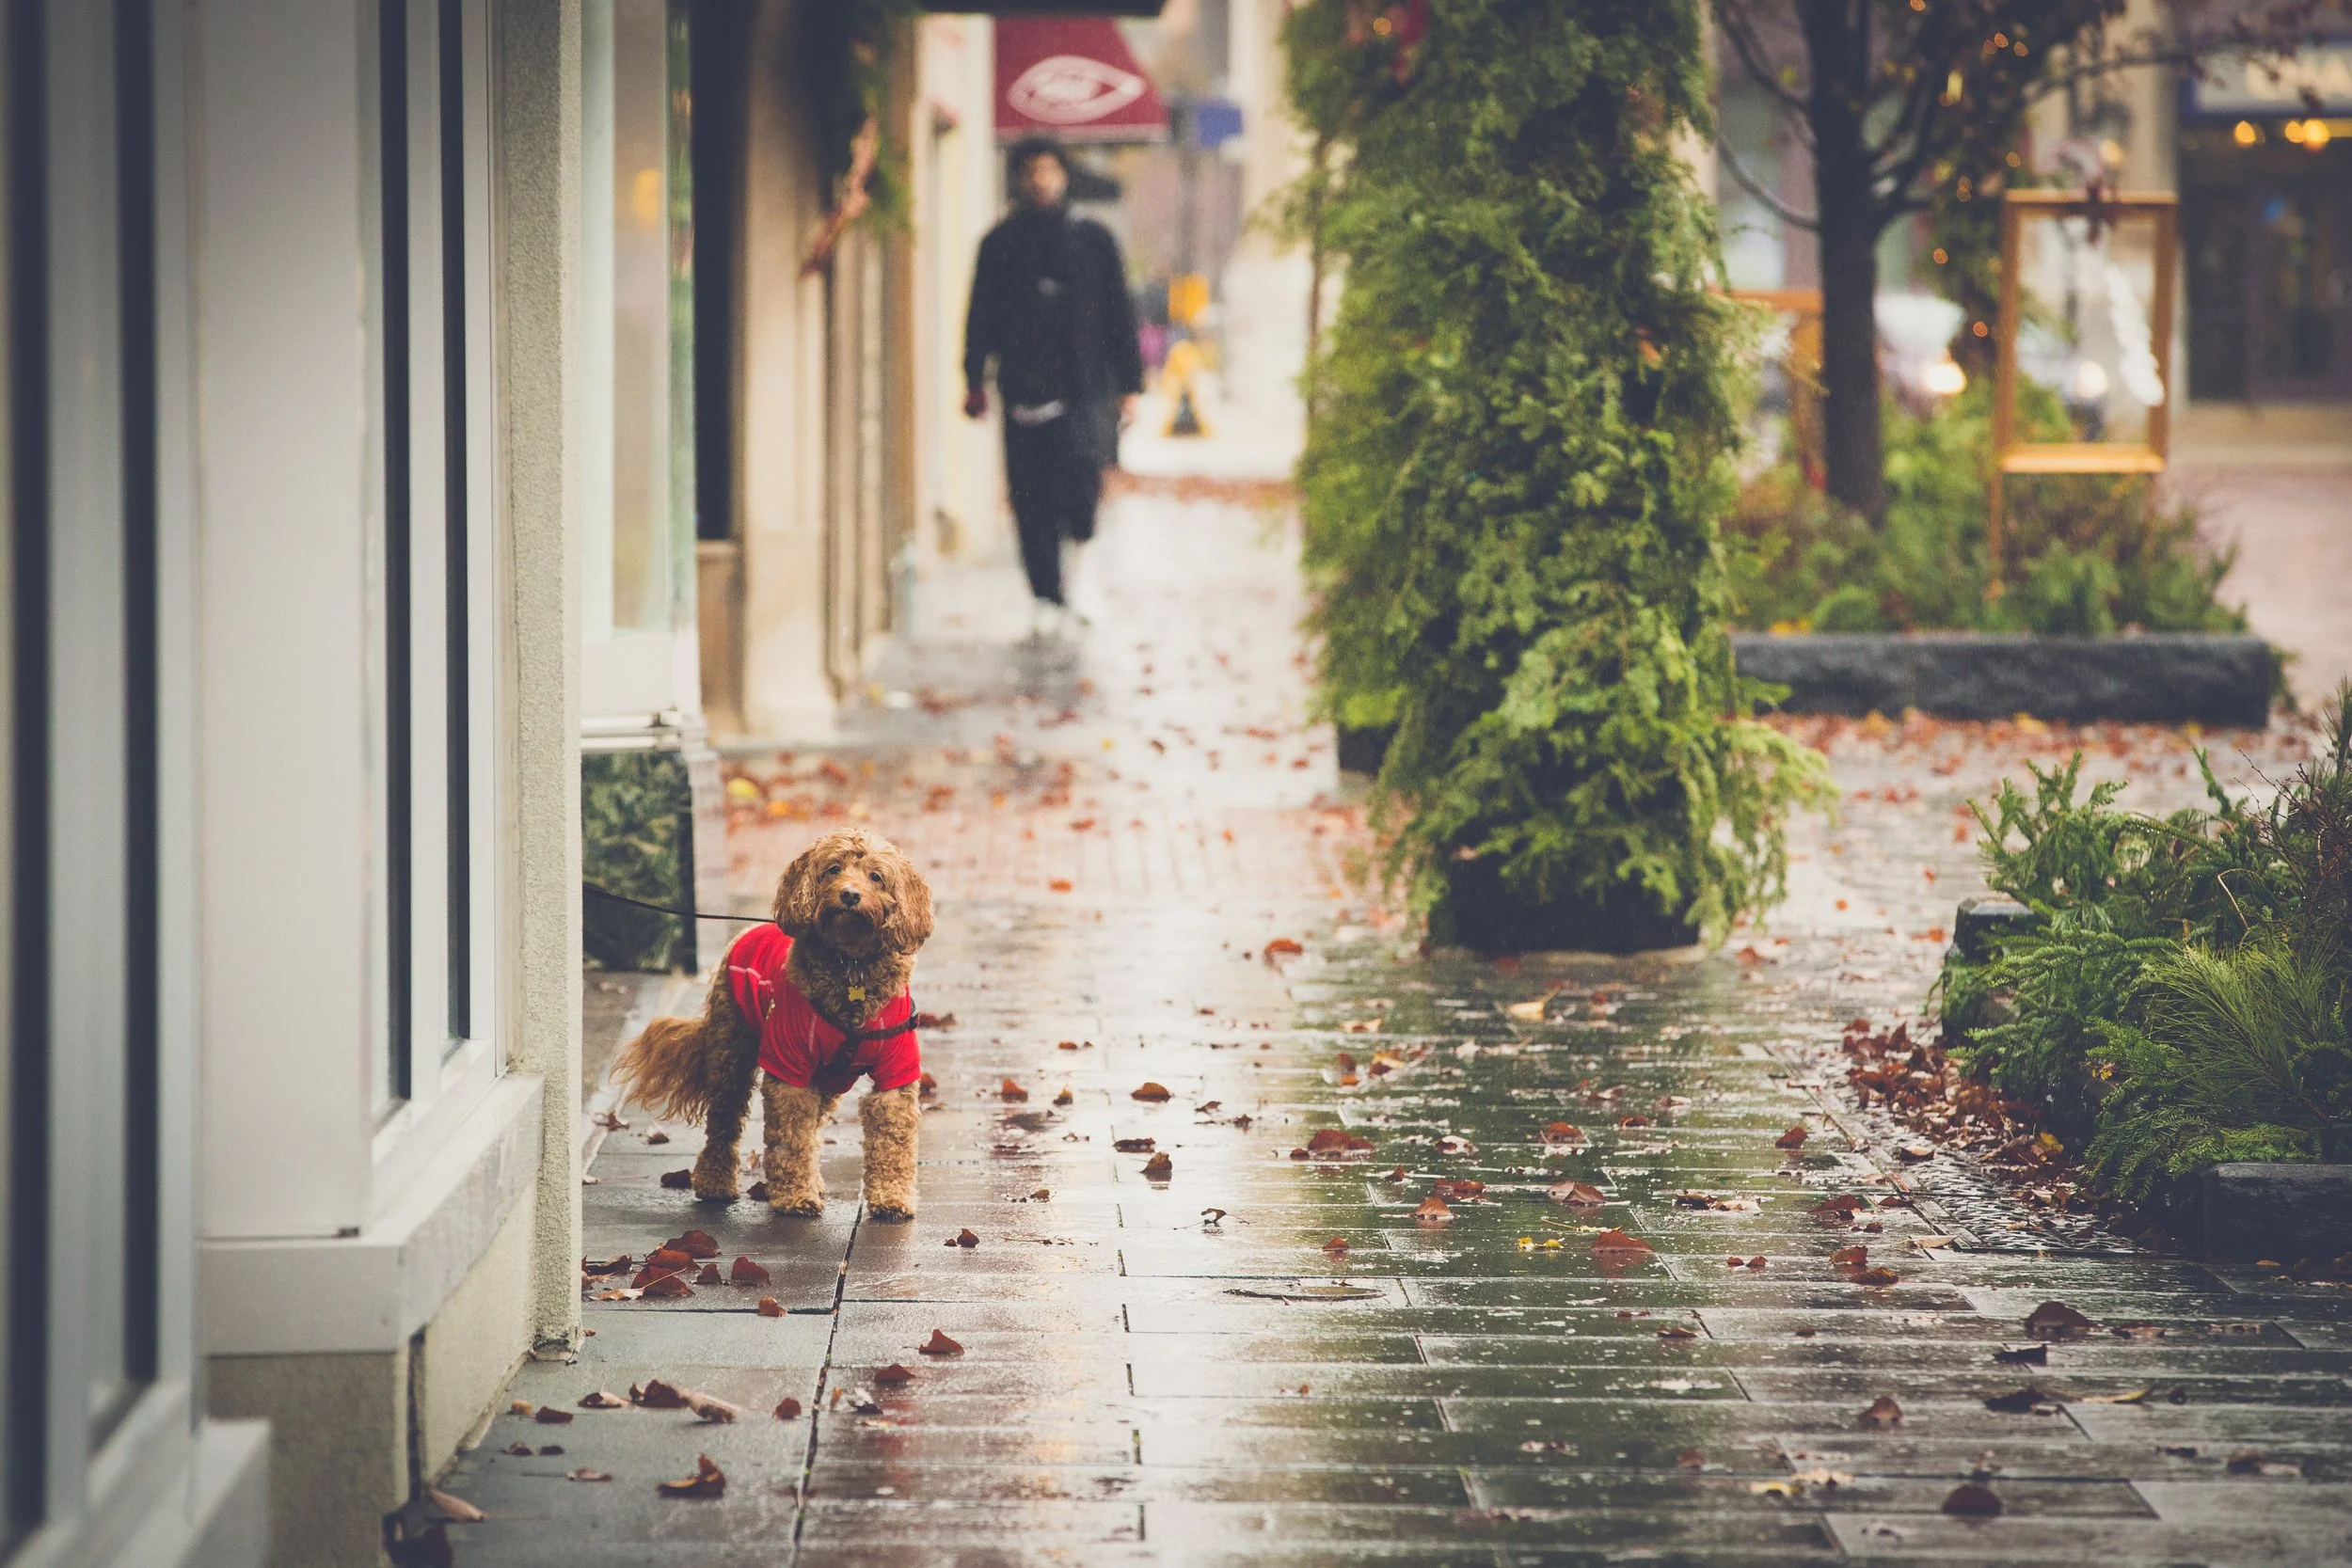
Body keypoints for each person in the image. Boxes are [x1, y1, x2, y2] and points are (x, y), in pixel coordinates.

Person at [962, 136, 1144, 637]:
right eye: (1032, 171)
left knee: (1082, 483)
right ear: (1020, 178)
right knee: (1030, 497)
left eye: (1050, 170)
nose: (1041, 180)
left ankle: (1081, 574)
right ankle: (1044, 593)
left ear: (1064, 175)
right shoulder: (998, 245)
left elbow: (1118, 315)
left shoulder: (1094, 241)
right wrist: (973, 378)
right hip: (1023, 388)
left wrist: (1130, 383)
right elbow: (979, 316)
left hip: (1085, 387)